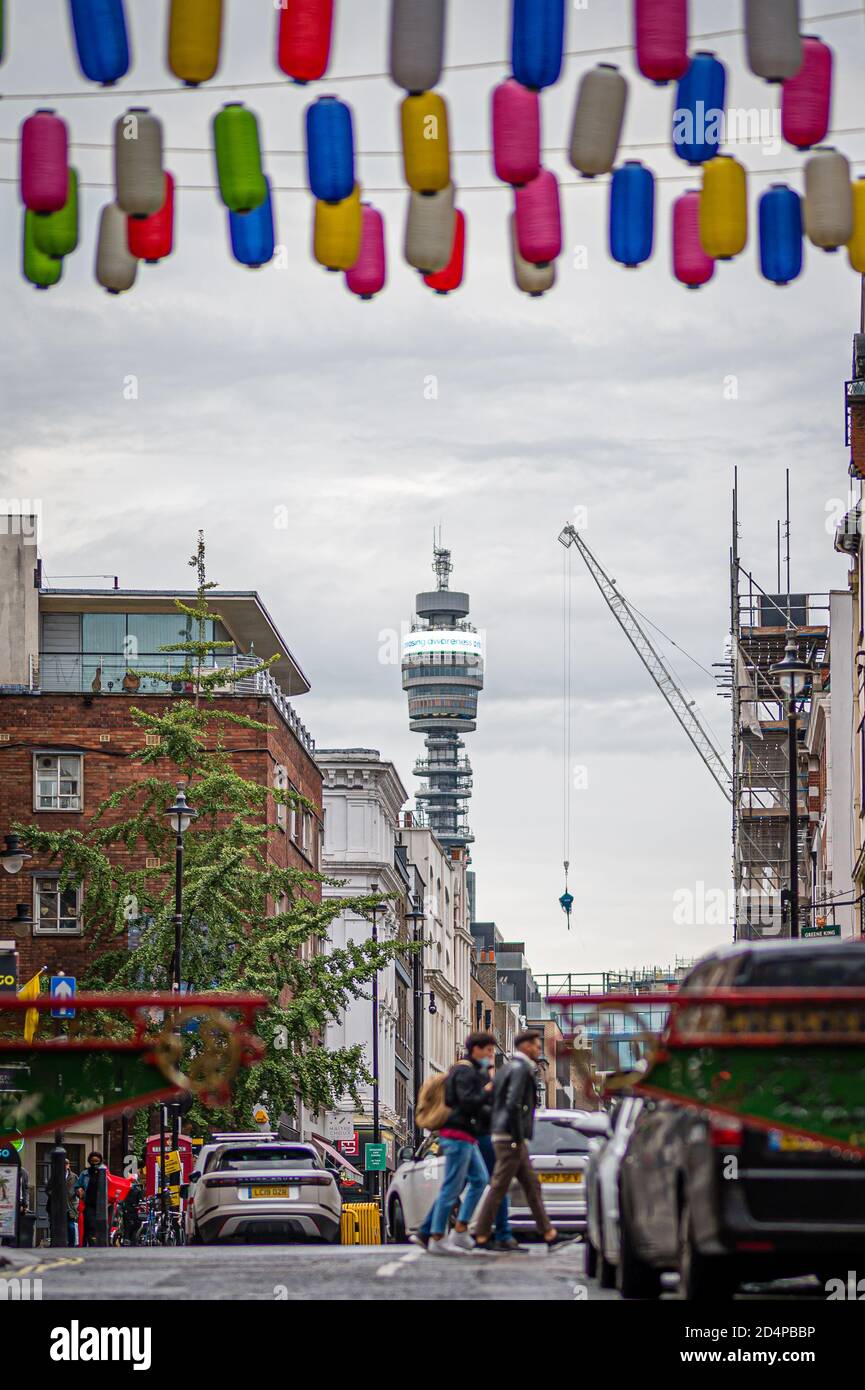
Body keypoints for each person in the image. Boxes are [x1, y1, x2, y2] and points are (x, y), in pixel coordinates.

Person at [472, 1030, 573, 1251]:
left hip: (508, 1135)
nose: (539, 1049)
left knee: (531, 1185)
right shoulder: (520, 1068)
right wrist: (518, 1136)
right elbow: (513, 1103)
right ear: (525, 1046)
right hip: (511, 1137)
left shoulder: (508, 1067)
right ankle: (480, 1234)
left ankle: (549, 1233)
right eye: (536, 1046)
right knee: (499, 1186)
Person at [417, 1031, 497, 1255]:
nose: (490, 1055)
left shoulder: (472, 1071)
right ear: (476, 1049)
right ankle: (437, 1237)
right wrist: (487, 1091)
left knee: (480, 1180)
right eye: (488, 1050)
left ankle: (460, 1231)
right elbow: (463, 1102)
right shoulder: (463, 1071)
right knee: (451, 1187)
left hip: (467, 1136)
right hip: (456, 1135)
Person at [476, 1064, 524, 1253]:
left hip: (488, 1137)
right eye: (488, 1050)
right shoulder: (471, 1074)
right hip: (485, 1137)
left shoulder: (477, 1074)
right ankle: (494, 1233)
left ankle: (495, 1233)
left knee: (494, 1186)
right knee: (496, 1186)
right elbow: (474, 1106)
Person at [75, 1151, 105, 1247]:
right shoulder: (85, 1174)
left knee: (99, 1226)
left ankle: (97, 1243)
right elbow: (77, 1186)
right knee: (89, 1224)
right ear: (89, 1161)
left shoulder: (104, 1172)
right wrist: (79, 1190)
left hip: (102, 1204)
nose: (95, 1163)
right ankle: (91, 1243)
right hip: (89, 1203)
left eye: (97, 1161)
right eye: (93, 1161)